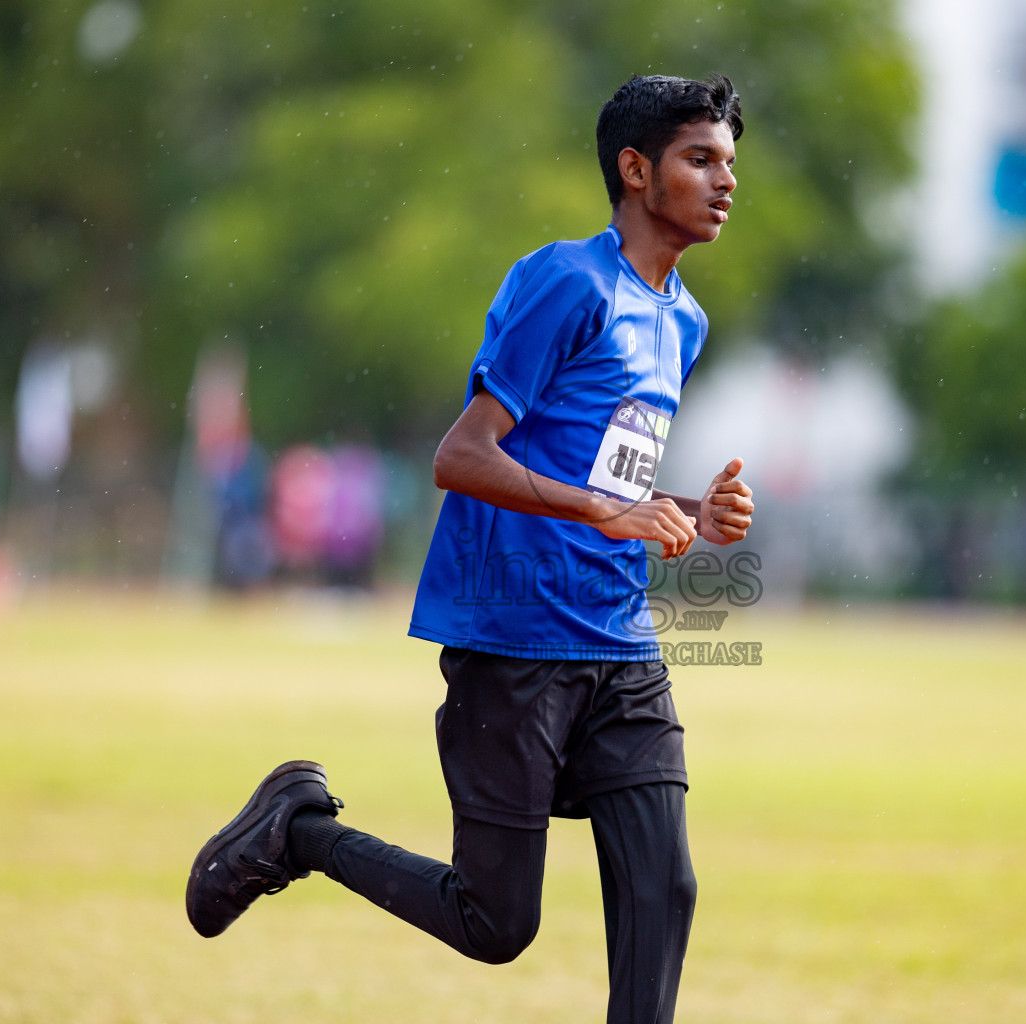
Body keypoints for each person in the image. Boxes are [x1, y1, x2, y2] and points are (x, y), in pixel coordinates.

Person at [185, 73, 756, 1024]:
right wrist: (610, 514)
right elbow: (463, 455)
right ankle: (297, 832)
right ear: (634, 168)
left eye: (730, 163)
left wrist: (689, 508)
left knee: (664, 890)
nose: (724, 181)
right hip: (514, 640)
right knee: (496, 922)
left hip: (620, 645)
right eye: (700, 159)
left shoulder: (683, 320)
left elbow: (600, 480)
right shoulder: (567, 284)